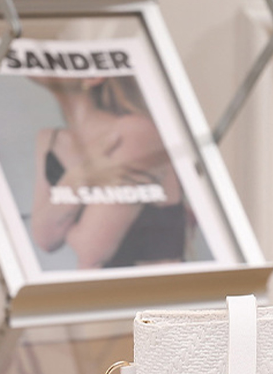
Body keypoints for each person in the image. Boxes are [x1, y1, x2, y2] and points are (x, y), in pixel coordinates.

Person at [30, 75, 186, 269]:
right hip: (97, 284)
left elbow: (90, 251)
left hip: (150, 286)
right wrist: (78, 178)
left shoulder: (134, 132)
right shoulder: (50, 139)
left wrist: (59, 215)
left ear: (93, 77)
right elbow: (45, 239)